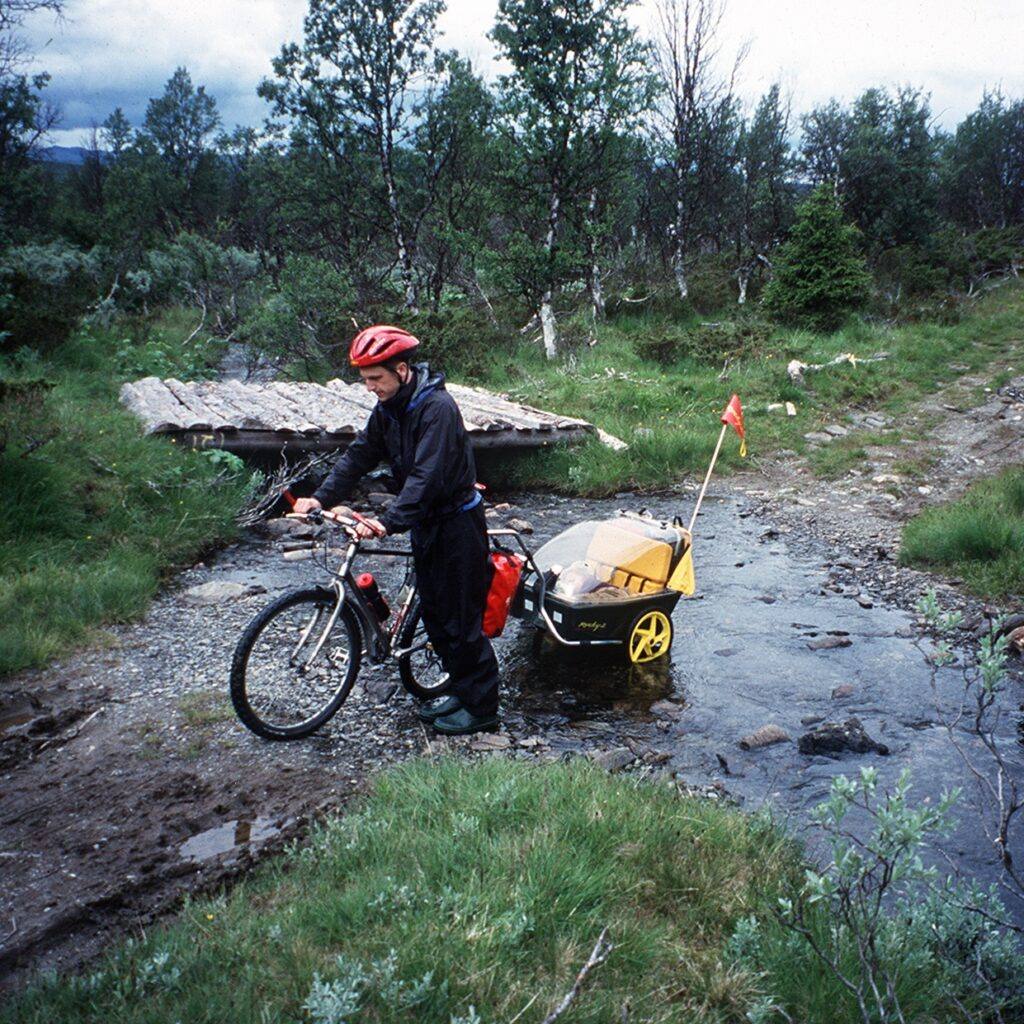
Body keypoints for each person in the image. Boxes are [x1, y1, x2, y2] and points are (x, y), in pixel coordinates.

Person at [291, 324, 501, 735]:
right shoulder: (389, 408)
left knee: (460, 621)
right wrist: (322, 497)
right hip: (427, 522)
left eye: (376, 379)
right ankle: (461, 690)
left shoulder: (436, 409)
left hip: (457, 524)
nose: (370, 387)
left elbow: (427, 477)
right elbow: (359, 455)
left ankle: (483, 710)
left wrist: (387, 522)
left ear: (402, 370)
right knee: (438, 617)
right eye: (366, 379)